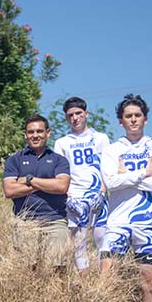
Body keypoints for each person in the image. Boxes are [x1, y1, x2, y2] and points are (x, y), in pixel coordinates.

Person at [100, 94, 152, 302]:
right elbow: (110, 182)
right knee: (107, 281)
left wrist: (127, 176)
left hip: (147, 224)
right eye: (128, 116)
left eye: (137, 115)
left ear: (145, 119)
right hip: (117, 223)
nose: (133, 120)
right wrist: (143, 173)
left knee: (149, 285)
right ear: (120, 121)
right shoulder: (111, 149)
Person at [2, 115, 71, 268]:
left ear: (48, 133)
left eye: (39, 131)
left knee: (58, 268)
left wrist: (28, 179)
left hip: (55, 220)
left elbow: (61, 187)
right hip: (25, 221)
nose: (35, 135)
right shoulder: (15, 160)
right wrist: (48, 183)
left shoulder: (59, 160)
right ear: (25, 135)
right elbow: (9, 190)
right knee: (26, 269)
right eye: (31, 132)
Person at [53, 97, 110, 273]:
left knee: (103, 240)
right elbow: (60, 172)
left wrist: (103, 191)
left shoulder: (100, 138)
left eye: (78, 113)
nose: (75, 118)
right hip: (76, 197)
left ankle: (104, 283)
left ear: (86, 114)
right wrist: (68, 197)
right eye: (70, 115)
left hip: (98, 195)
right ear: (66, 118)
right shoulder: (62, 142)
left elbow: (108, 167)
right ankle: (86, 285)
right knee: (80, 243)